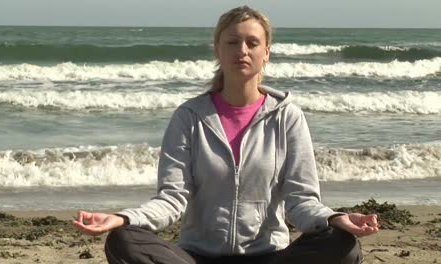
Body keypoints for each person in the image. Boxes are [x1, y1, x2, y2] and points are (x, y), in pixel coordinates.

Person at [72, 6, 379, 264]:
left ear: (266, 53)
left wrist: (336, 218)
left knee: (344, 245)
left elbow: (301, 202)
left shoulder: (287, 117)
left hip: (268, 256)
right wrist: (123, 218)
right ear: (217, 49)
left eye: (252, 42)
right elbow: (171, 199)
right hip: (197, 257)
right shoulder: (189, 117)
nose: (242, 50)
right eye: (232, 42)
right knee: (123, 241)